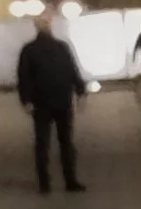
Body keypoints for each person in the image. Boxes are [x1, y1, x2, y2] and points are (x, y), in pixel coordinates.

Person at [15, 11, 88, 195]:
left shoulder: (29, 50)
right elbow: (72, 70)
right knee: (66, 143)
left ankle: (45, 183)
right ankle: (70, 181)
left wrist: (26, 101)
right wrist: (80, 91)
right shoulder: (61, 47)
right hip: (62, 100)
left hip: (42, 103)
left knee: (43, 143)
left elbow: (23, 78)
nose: (45, 24)